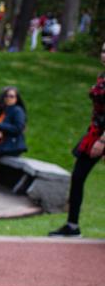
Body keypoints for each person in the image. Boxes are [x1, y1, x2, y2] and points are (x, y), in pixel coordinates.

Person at [49, 43, 105, 237]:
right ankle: (72, 225)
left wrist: (103, 141)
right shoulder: (102, 76)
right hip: (95, 132)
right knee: (78, 176)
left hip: (101, 135)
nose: (104, 55)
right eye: (103, 50)